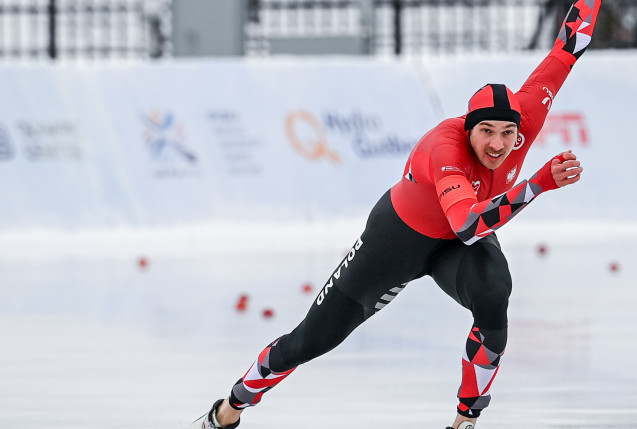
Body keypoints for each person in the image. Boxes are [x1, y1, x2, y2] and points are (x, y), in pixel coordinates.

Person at [187, 1, 600, 428]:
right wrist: (537, 184)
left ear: (521, 128)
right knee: (310, 341)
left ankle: (464, 423)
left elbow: (570, 44)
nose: (498, 145)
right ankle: (228, 409)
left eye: (508, 134)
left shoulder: (526, 118)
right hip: (397, 241)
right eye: (486, 132)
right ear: (467, 129)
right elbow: (467, 223)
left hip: (455, 246)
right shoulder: (445, 148)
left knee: (495, 294)